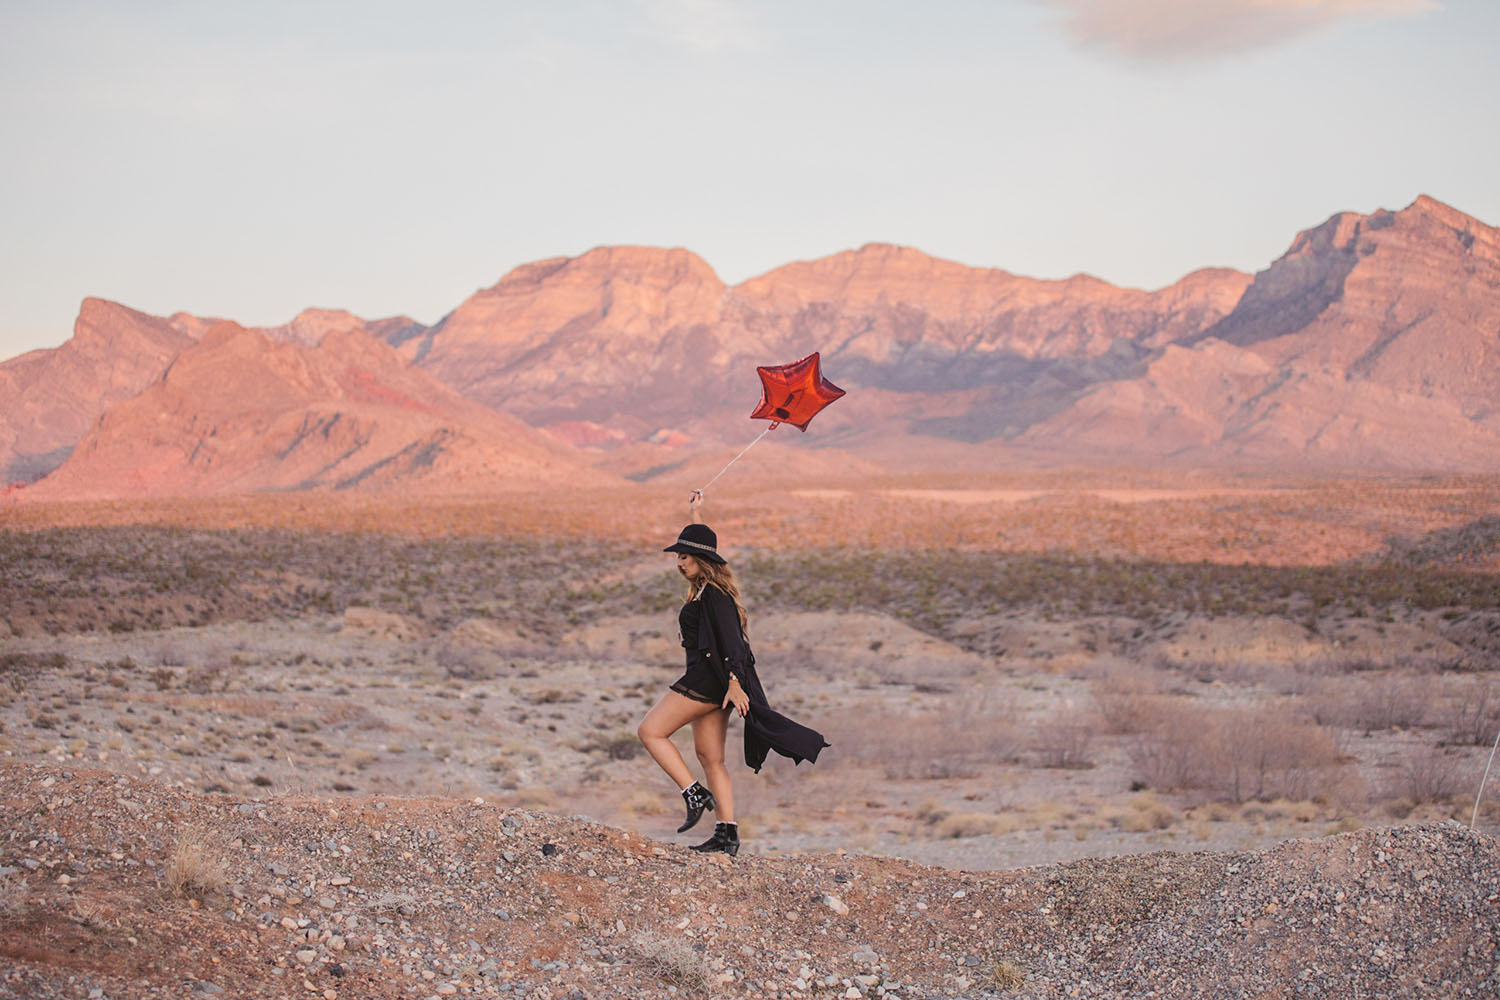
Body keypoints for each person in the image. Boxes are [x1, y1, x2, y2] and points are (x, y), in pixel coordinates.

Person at [636, 491, 828, 856]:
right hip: (715, 684)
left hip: (708, 683)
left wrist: (736, 684)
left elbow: (735, 646)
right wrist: (695, 511)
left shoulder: (715, 597)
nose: (679, 563)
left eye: (684, 556)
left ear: (701, 559)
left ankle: (694, 794)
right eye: (678, 556)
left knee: (650, 731)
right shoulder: (705, 591)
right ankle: (727, 834)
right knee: (711, 758)